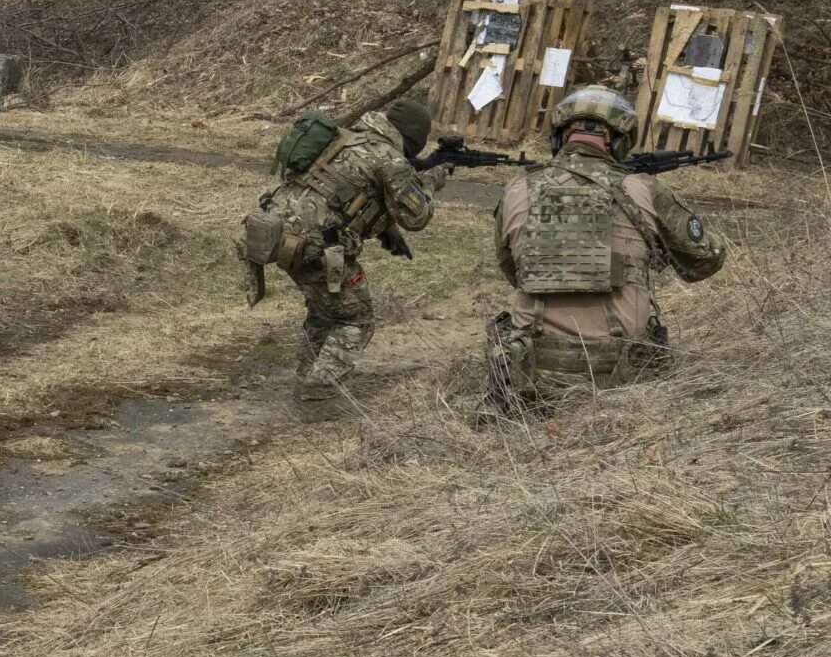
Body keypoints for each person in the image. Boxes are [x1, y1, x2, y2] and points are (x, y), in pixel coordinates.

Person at [486, 85, 726, 409]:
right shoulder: (644, 189)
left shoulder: (517, 189)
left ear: (558, 137)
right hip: (619, 374)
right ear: (622, 140)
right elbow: (705, 261)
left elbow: (513, 272)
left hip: (529, 371)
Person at [246, 95, 444, 416]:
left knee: (325, 313)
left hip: (279, 232)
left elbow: (354, 195)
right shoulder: (390, 160)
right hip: (317, 246)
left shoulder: (348, 138)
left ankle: (306, 380)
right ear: (413, 138)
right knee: (357, 320)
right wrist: (431, 183)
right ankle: (318, 395)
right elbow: (416, 217)